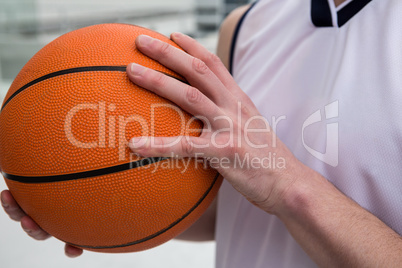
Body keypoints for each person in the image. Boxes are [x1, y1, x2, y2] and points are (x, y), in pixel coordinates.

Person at [2, 0, 402, 266]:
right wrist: (84, 205)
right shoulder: (246, 25)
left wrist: (286, 183)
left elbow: (272, 185)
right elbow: (227, 210)